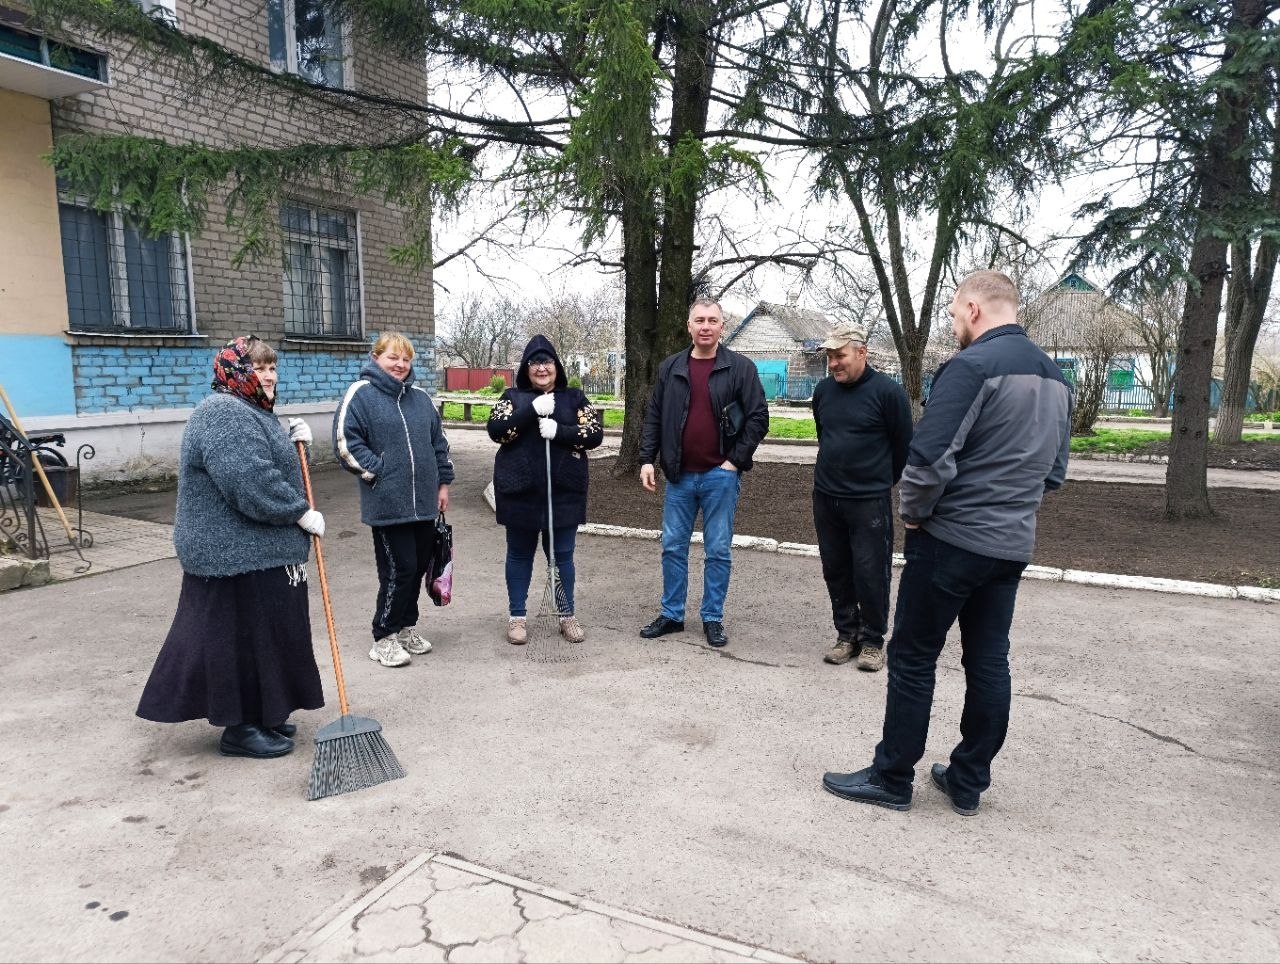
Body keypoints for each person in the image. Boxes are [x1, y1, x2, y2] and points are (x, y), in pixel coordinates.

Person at [823, 270, 1071, 815]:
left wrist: (913, 516)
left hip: (951, 540)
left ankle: (892, 778)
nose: (955, 323)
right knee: (989, 661)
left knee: (913, 657)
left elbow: (927, 459)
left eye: (956, 313)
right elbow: (1054, 473)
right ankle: (968, 780)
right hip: (1011, 545)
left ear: (974, 309)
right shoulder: (1054, 376)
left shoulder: (971, 366)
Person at [137, 336, 325, 759]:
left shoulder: (255, 412)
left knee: (267, 638)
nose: (269, 376)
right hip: (232, 555)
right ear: (235, 372)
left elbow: (279, 473)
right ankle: (240, 727)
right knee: (239, 641)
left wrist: (300, 447)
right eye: (259, 368)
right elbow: (249, 482)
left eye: (273, 368)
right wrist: (299, 512)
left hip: (259, 552)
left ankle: (266, 713)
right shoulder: (222, 412)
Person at [637, 297, 769, 648]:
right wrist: (647, 458)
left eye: (712, 320)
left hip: (719, 476)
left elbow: (758, 418)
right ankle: (672, 614)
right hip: (679, 476)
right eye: (699, 320)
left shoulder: (740, 368)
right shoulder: (670, 368)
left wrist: (733, 462)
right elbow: (654, 415)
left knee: (718, 550)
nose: (706, 326)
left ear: (722, 326)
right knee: (673, 547)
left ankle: (712, 618)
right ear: (689, 326)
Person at [333, 332, 454, 668]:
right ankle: (383, 636)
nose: (400, 365)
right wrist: (379, 472)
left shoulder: (421, 399)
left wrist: (443, 484)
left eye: (406, 359)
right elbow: (346, 442)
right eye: (393, 357)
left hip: (424, 503)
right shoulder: (361, 394)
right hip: (387, 504)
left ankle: (405, 628)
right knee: (399, 570)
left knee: (418, 568)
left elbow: (440, 444)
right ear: (376, 358)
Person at [486, 335, 604, 644]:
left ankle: (567, 615)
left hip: (564, 492)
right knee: (519, 554)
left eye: (547, 362)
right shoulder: (512, 397)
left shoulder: (574, 398)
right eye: (535, 362)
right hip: (520, 491)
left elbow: (594, 434)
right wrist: (531, 410)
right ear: (526, 368)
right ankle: (517, 617)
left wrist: (560, 431)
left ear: (557, 366)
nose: (541, 368)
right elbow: (497, 431)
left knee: (562, 556)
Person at [811, 322, 913, 672]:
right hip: (826, 497)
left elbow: (903, 447)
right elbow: (824, 435)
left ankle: (872, 642)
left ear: (861, 352)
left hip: (869, 501)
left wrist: (878, 481)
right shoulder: (824, 391)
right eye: (829, 357)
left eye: (839, 356)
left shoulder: (888, 393)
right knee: (835, 569)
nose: (833, 364)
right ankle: (846, 635)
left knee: (871, 572)